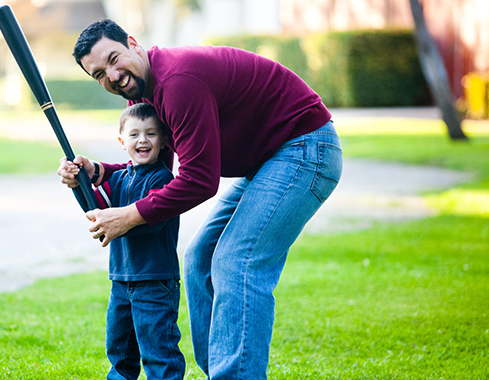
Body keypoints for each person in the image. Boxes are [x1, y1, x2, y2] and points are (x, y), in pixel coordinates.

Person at [58, 19, 343, 380]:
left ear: (133, 43)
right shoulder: (143, 92)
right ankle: (220, 371)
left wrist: (130, 215)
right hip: (269, 161)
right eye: (99, 74)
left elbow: (199, 180)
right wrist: (96, 171)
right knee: (199, 258)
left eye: (114, 59)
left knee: (236, 259)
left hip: (304, 148)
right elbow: (154, 168)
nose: (112, 75)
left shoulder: (177, 83)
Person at [86, 103, 185, 380]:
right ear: (122, 142)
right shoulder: (117, 179)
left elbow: (153, 223)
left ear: (164, 141)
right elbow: (96, 209)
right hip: (120, 281)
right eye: (134, 134)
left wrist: (119, 224)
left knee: (158, 352)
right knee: (120, 351)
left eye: (151, 134)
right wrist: (78, 182)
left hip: (155, 281)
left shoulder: (163, 178)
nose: (142, 140)